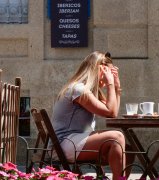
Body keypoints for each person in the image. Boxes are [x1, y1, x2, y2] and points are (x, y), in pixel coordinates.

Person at [50, 51, 132, 180]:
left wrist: (117, 87)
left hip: (74, 142)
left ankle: (120, 178)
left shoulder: (88, 91)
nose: (107, 76)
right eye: (106, 72)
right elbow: (110, 112)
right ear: (97, 70)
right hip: (64, 144)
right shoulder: (78, 89)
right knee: (117, 136)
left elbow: (113, 112)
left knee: (127, 149)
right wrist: (110, 83)